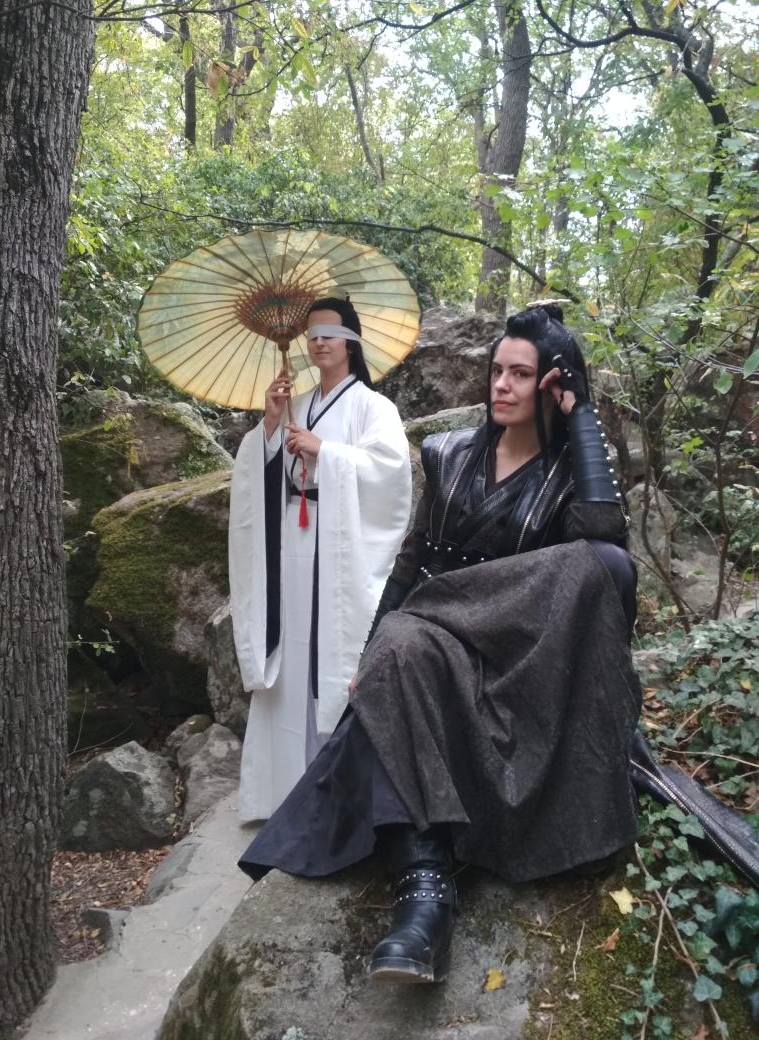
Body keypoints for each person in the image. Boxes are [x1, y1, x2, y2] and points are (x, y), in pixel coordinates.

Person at [238, 302, 642, 984]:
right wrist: (371, 653)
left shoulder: (571, 473)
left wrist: (579, 417)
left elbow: (605, 550)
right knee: (400, 647)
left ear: (552, 384)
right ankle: (425, 892)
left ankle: (441, 869)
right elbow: (411, 560)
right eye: (497, 370)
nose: (502, 385)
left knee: (605, 564)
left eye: (522, 374)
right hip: (435, 634)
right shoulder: (449, 452)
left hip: (520, 658)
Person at [229, 297, 412, 823]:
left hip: (338, 545)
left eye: (329, 333)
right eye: (311, 335)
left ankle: (338, 797)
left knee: (330, 656)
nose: (318, 342)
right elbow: (260, 473)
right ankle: (281, 793)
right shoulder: (298, 403)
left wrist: (324, 452)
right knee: (290, 653)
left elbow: (390, 473)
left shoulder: (374, 408)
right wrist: (271, 426)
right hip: (291, 537)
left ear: (351, 341)